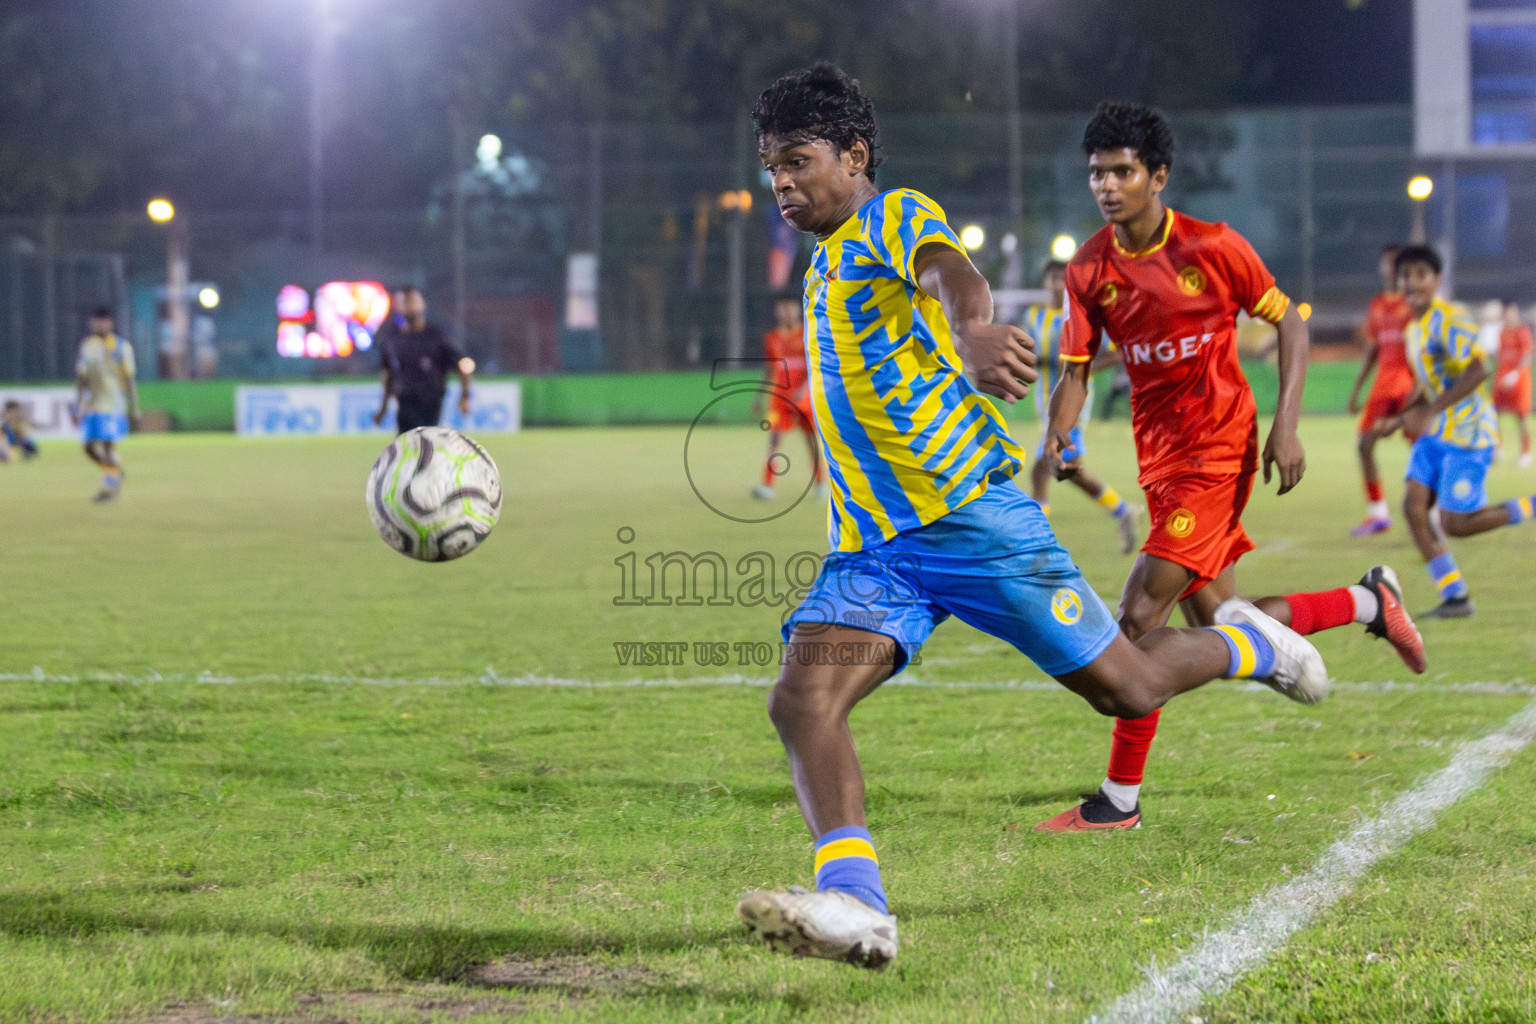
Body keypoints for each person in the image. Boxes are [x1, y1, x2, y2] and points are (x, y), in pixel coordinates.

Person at [735, 63, 1330, 972]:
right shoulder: (821, 265)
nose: (781, 181)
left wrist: (975, 328)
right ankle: (858, 907)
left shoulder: (889, 219)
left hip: (976, 521)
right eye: (771, 165)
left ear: (854, 157)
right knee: (802, 701)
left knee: (1124, 686)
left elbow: (949, 274)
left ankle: (1256, 646)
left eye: (797, 160)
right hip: (873, 552)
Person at [1032, 102, 1424, 833]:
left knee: (1136, 620)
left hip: (1218, 451)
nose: (1107, 186)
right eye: (1096, 174)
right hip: (1160, 459)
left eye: (1122, 172)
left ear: (1158, 177)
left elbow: (1290, 321)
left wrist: (1286, 425)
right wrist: (1061, 432)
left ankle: (1118, 803)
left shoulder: (1212, 247)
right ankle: (1370, 602)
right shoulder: (1089, 268)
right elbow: (1076, 370)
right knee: (1217, 621)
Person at [1376, 247, 1536, 619]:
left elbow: (1479, 369)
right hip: (1436, 435)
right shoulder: (1414, 327)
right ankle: (1455, 596)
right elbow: (1426, 382)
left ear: (1436, 281)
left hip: (1467, 434)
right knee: (1413, 507)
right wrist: (1400, 419)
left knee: (1456, 524)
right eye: (1405, 275)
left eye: (1420, 274)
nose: (1410, 282)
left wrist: (1429, 411)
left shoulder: (1450, 319)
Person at [1023, 259, 1142, 554]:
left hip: (1072, 404)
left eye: (1062, 278)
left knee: (1041, 471)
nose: (1057, 283)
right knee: (1071, 470)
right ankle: (1122, 510)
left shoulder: (1079, 314)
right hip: (1045, 402)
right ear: (1043, 282)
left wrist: (1080, 370)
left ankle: (1036, 544)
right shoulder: (1035, 315)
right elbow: (1032, 352)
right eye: (1051, 277)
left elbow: (1115, 354)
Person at [1346, 244, 1416, 535]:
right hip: (1382, 386)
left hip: (1409, 385)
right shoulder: (1377, 305)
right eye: (1386, 262)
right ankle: (1378, 514)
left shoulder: (1413, 304)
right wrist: (1357, 391)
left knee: (1423, 448)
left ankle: (1433, 510)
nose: (1390, 267)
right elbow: (1374, 349)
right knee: (1364, 444)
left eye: (1396, 262)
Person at [753, 294, 826, 501]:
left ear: (797, 310)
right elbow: (770, 368)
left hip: (803, 399)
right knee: (774, 439)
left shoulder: (807, 334)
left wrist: (804, 389)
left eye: (790, 308)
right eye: (782, 309)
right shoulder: (772, 338)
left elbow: (814, 366)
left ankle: (820, 483)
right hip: (779, 398)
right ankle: (767, 486)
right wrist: (759, 397)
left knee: (811, 441)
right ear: (777, 312)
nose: (787, 313)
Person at [373, 286, 473, 433]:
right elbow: (388, 375)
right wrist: (383, 408)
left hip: (430, 404)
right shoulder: (392, 340)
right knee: (406, 447)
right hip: (405, 403)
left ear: (422, 304)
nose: (408, 305)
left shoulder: (435, 336)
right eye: (404, 301)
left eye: (412, 300)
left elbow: (463, 363)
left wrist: (465, 396)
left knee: (427, 445)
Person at [75, 308, 138, 502]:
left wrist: (135, 406)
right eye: (96, 321)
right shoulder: (87, 345)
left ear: (110, 322)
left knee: (108, 444)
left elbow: (129, 379)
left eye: (103, 321)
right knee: (87, 448)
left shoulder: (122, 346)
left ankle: (109, 486)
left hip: (113, 403)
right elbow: (82, 376)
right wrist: (79, 403)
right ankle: (115, 471)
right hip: (93, 403)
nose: (99, 324)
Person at [1494, 301, 1532, 468]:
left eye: (1512, 312)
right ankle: (1497, 449)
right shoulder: (1502, 332)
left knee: (1522, 417)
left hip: (1519, 380)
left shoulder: (1522, 332)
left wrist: (1515, 374)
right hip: (1503, 380)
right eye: (1507, 313)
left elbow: (1527, 355)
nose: (1510, 316)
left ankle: (1526, 453)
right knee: (1493, 414)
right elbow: (1500, 356)